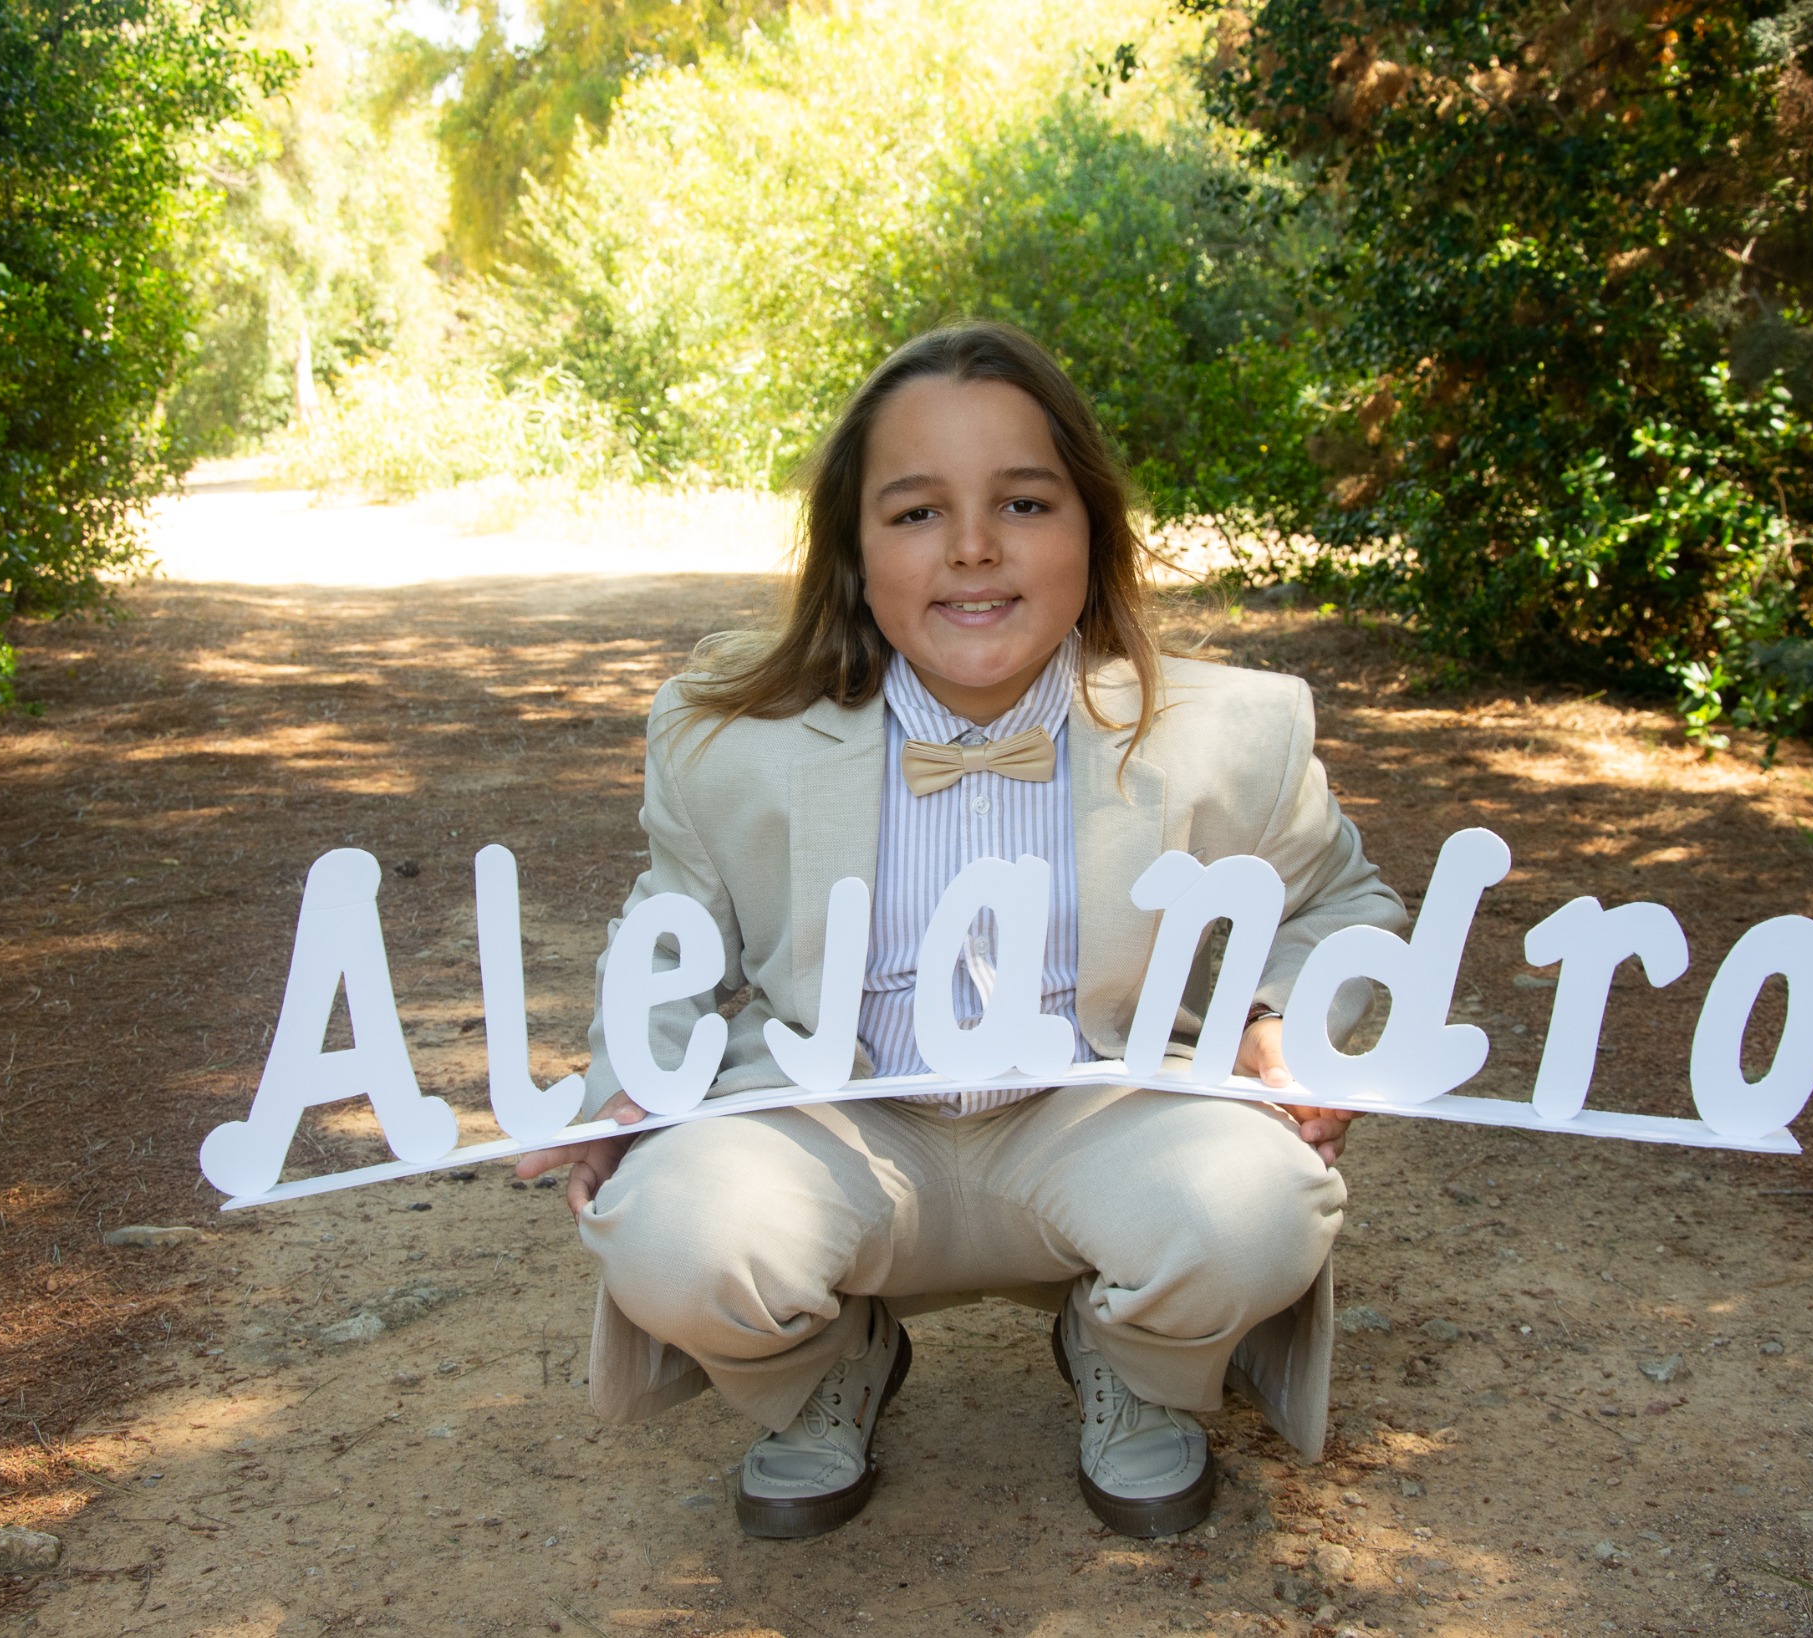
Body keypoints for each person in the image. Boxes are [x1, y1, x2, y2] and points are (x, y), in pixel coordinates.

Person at [516, 322, 1407, 1541]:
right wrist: (632, 1087)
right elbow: (673, 933)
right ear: (854, 550)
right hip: (832, 1123)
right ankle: (827, 1362)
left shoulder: (1231, 731)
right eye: (917, 511)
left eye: (1024, 501)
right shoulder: (727, 735)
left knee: (1252, 1209)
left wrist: (1275, 1026)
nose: (974, 548)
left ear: (1092, 531)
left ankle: (1127, 1360)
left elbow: (1342, 903)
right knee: (671, 1236)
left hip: (1097, 1120)